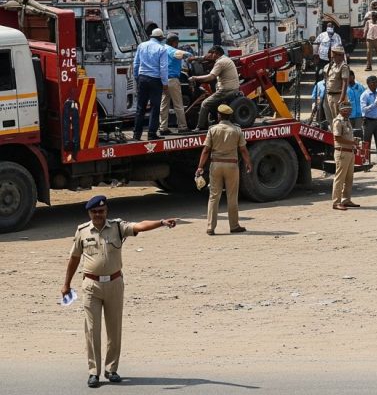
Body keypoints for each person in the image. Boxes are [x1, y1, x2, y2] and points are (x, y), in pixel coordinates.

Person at [62, 195, 178, 388]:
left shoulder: (117, 227)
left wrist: (161, 222)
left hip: (115, 284)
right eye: (94, 212)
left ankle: (111, 369)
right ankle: (93, 372)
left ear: (106, 211)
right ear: (89, 213)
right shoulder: (82, 231)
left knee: (114, 329)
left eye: (101, 211)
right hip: (91, 286)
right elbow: (74, 259)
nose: (98, 215)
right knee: (92, 330)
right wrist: (66, 284)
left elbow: (139, 226)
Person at [196, 104, 253, 235]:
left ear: (219, 116)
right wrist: (248, 163)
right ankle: (234, 226)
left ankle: (210, 227)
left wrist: (200, 167)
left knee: (214, 196)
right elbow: (243, 149)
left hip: (216, 165)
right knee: (232, 197)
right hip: (232, 166)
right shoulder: (237, 130)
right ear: (230, 116)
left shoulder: (212, 130)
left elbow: (206, 150)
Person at [190, 45, 239, 132]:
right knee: (213, 103)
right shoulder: (226, 59)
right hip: (232, 89)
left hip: (226, 90)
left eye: (211, 54)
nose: (210, 56)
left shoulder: (220, 62)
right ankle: (216, 122)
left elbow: (210, 77)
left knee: (205, 103)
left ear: (216, 54)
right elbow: (206, 58)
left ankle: (200, 127)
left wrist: (195, 78)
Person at [132, 27, 169, 141]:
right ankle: (151, 133)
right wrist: (165, 83)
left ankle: (136, 134)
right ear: (160, 38)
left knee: (140, 107)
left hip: (142, 78)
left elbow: (136, 63)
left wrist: (137, 77)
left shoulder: (141, 46)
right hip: (155, 80)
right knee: (155, 107)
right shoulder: (162, 49)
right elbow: (163, 68)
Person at [158, 33, 192, 135]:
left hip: (163, 80)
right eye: (177, 43)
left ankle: (163, 127)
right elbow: (185, 55)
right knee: (178, 104)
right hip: (173, 80)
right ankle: (182, 126)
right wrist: (189, 53)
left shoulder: (162, 48)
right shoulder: (172, 50)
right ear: (174, 42)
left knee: (164, 104)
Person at [331, 102, 360, 210]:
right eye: (346, 110)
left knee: (349, 178)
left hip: (349, 151)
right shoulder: (338, 122)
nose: (349, 111)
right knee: (340, 178)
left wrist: (353, 142)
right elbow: (337, 138)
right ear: (341, 110)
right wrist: (352, 143)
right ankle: (336, 202)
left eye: (350, 109)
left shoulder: (347, 121)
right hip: (342, 152)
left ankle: (346, 199)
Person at [323, 45, 350, 124]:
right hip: (329, 95)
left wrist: (342, 98)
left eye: (335, 54)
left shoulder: (343, 66)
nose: (333, 56)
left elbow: (345, 83)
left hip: (338, 96)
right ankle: (334, 135)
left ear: (340, 55)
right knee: (332, 119)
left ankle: (341, 136)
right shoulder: (331, 65)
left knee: (340, 120)